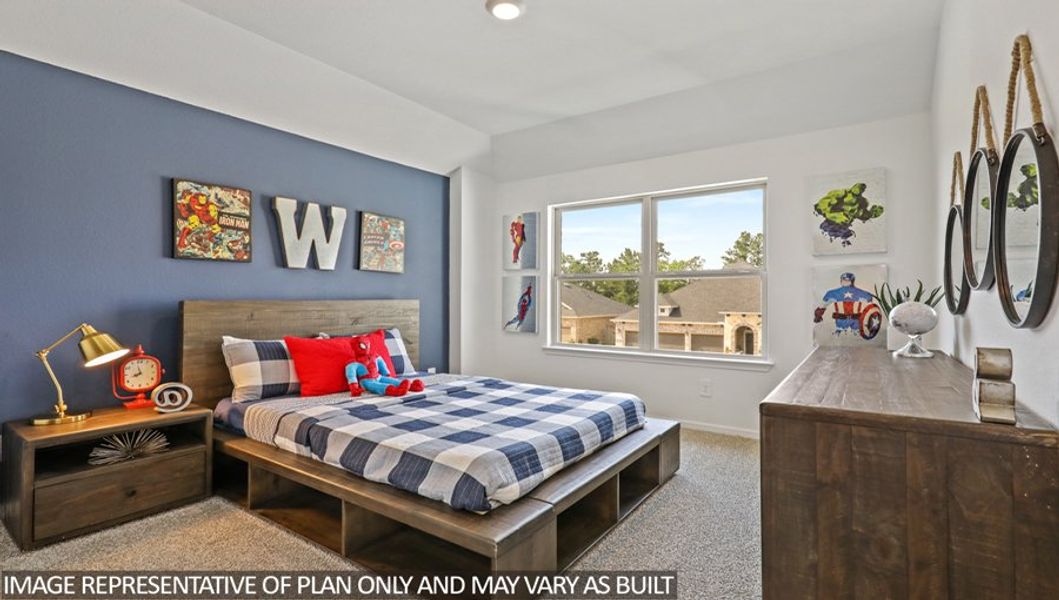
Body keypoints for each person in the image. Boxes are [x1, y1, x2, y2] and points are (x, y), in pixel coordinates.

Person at [813, 272, 876, 336]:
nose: (845, 282)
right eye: (844, 280)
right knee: (849, 334)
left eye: (847, 280)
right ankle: (842, 331)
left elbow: (823, 305)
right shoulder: (861, 293)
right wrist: (818, 315)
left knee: (853, 334)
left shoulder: (833, 293)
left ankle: (845, 331)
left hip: (851, 320)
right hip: (845, 320)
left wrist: (818, 315)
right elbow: (823, 305)